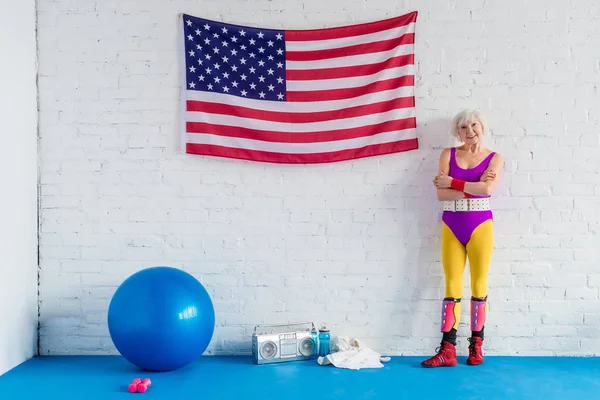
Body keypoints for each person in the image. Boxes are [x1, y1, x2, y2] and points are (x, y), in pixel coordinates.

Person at [422, 109, 504, 367]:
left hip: (480, 225)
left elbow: (488, 189)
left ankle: (476, 347)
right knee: (451, 286)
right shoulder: (448, 154)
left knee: (479, 284)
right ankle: (447, 350)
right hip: (452, 224)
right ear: (457, 132)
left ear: (482, 126)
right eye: (463, 128)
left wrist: (453, 182)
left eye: (474, 125)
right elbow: (441, 196)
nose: (470, 131)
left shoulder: (495, 158)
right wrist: (472, 187)